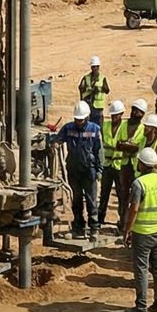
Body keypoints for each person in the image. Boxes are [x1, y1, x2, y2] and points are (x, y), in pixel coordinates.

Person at [126, 148, 157, 312]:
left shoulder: (139, 183)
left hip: (142, 232)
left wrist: (127, 229)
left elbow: (134, 209)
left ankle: (141, 306)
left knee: (141, 269)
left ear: (142, 164)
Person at [51, 102, 103, 239]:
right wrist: (56, 144)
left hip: (89, 170)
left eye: (81, 119)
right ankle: (78, 226)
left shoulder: (95, 129)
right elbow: (58, 140)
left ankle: (94, 228)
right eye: (76, 119)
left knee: (91, 200)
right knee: (77, 200)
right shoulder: (68, 128)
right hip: (73, 170)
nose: (78, 122)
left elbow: (99, 152)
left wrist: (99, 170)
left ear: (87, 117)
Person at [98, 103, 128, 231]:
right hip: (107, 164)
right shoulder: (105, 126)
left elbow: (125, 144)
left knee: (121, 195)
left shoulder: (124, 127)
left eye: (117, 115)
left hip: (119, 164)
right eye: (112, 115)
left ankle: (122, 221)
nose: (114, 117)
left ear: (121, 115)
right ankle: (100, 219)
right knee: (104, 193)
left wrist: (118, 147)